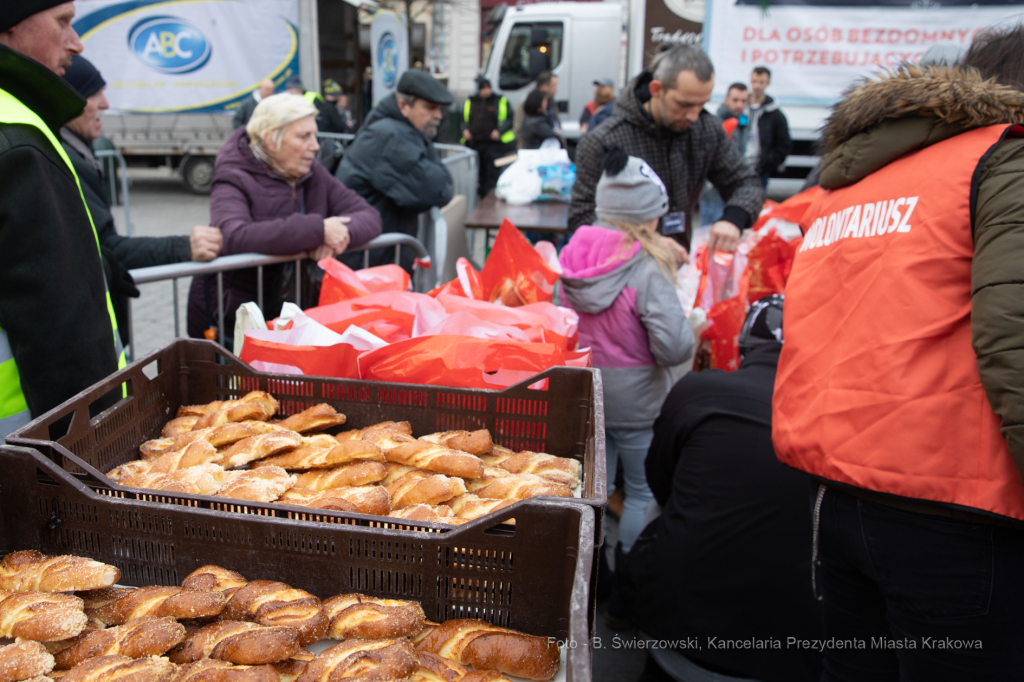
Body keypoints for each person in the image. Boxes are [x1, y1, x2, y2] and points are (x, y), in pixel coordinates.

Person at [773, 26, 1024, 681]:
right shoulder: (1003, 161)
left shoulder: (855, 184)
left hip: (838, 495)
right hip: (958, 507)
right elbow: (1014, 339)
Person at [621, 296, 824, 682]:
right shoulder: (835, 410)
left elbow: (658, 481)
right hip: (793, 646)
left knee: (661, 507)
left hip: (673, 626)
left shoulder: (698, 389)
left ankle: (620, 602)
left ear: (744, 343)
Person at [559, 146, 693, 621]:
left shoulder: (572, 253)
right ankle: (630, 582)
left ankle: (591, 578)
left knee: (594, 492)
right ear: (648, 216)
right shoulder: (648, 267)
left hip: (586, 394)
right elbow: (674, 347)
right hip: (639, 402)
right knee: (640, 492)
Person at [0, 0, 128, 439]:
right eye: (62, 22)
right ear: (10, 26)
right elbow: (60, 325)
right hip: (34, 453)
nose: (76, 42)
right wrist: (102, 444)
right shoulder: (17, 135)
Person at [186, 94, 381, 343]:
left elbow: (369, 216)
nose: (316, 146)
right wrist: (316, 231)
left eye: (314, 135)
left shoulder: (312, 171)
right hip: (234, 319)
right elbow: (234, 235)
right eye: (303, 136)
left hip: (287, 314)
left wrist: (335, 236)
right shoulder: (233, 174)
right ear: (271, 140)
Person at [60, 55, 223, 346]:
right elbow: (105, 248)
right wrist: (182, 247)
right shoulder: (64, 161)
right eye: (92, 93)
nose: (106, 104)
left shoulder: (80, 152)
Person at [570, 45, 763, 262]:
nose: (693, 115)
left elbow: (746, 183)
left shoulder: (705, 129)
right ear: (656, 89)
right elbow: (582, 217)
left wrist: (734, 219)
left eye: (701, 104)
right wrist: (644, 242)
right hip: (621, 276)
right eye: (684, 104)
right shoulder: (604, 139)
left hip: (680, 271)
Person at [335, 70, 454, 272]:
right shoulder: (390, 136)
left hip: (375, 258)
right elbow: (437, 189)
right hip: (369, 264)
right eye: (429, 107)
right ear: (403, 106)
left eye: (439, 108)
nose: (438, 115)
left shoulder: (397, 130)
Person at [699, 82, 750, 226]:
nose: (739, 105)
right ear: (726, 100)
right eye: (735, 100)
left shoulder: (743, 122)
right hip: (714, 192)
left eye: (743, 101)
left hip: (733, 191)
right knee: (707, 236)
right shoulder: (715, 123)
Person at [462, 77, 514, 198]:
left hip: (493, 144)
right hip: (475, 143)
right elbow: (463, 120)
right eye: (483, 88)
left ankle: (491, 194)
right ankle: (480, 195)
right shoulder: (471, 101)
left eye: (488, 88)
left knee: (492, 171)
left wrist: (499, 131)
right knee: (479, 171)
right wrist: (464, 131)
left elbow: (509, 119)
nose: (486, 91)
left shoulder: (499, 100)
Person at [746, 66, 791, 189]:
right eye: (754, 81)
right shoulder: (740, 107)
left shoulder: (774, 114)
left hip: (759, 171)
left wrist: (768, 163)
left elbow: (784, 144)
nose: (757, 86)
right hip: (737, 168)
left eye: (761, 82)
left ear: (768, 83)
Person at [514, 71, 561, 149]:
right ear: (545, 86)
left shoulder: (551, 103)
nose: (556, 90)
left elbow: (557, 125)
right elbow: (519, 132)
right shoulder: (527, 105)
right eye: (554, 86)